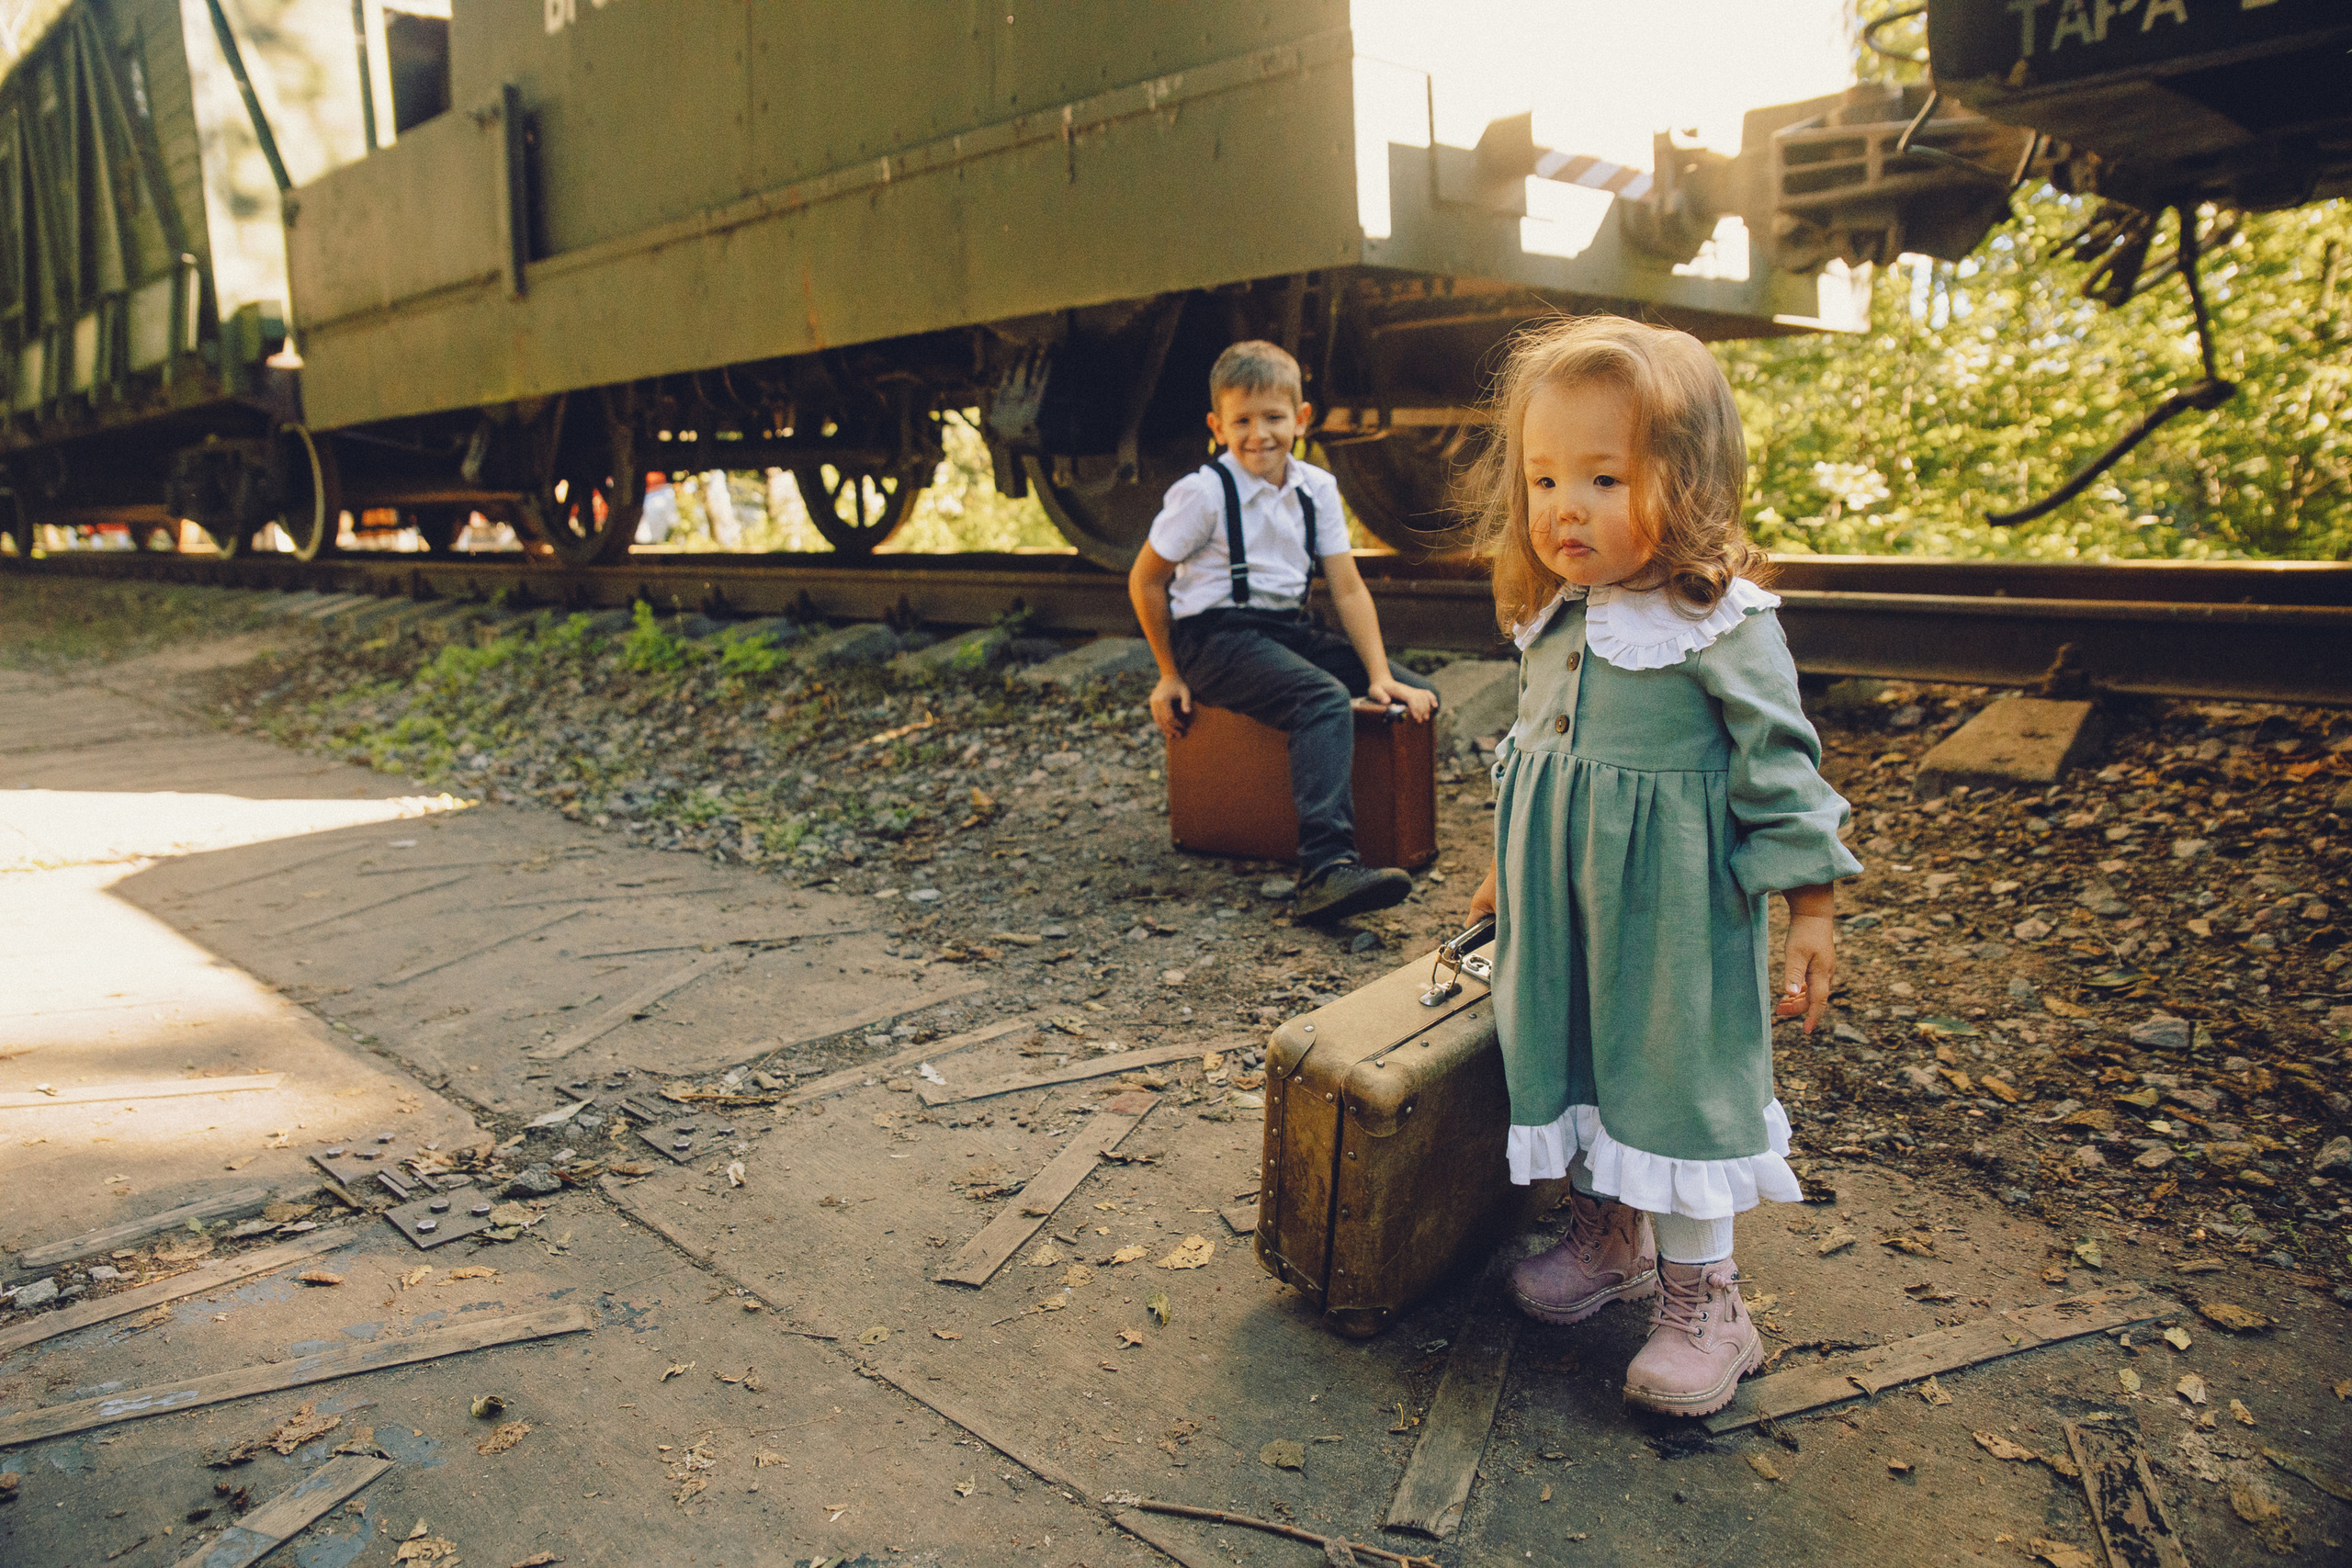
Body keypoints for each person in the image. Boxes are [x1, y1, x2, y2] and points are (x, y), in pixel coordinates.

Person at [1463, 316, 1861, 1418]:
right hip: (1563, 911)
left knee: (1674, 1082)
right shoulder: (1556, 612)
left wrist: (1811, 912)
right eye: (1544, 479)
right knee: (1577, 1055)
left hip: (1675, 918)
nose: (1564, 507)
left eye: (1602, 475)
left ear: (1685, 482)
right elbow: (1530, 754)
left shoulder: (1719, 626)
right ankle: (1610, 1242)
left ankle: (1708, 1302)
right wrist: (1503, 872)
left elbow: (1783, 776)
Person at [1128, 341, 1439, 923]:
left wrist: (1377, 676)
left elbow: (1347, 589)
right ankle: (1326, 869)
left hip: (1285, 631)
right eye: (1241, 421)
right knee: (1320, 698)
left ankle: (1378, 832)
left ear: (1300, 419)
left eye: (1273, 418)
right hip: (1213, 639)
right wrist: (1169, 672)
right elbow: (1146, 581)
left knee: (1412, 692)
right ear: (1217, 427)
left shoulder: (1316, 488)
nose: (1258, 435)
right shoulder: (1202, 493)